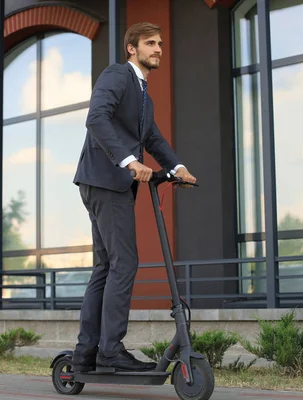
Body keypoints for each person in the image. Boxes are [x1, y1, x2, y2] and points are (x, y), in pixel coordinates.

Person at [72, 22, 196, 373]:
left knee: (106, 267)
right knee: (124, 263)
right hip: (107, 181)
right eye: (150, 43)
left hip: (106, 183)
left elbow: (153, 138)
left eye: (160, 44)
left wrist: (179, 168)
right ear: (132, 48)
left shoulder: (144, 95)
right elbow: (96, 119)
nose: (158, 49)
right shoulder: (117, 76)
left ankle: (86, 353)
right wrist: (129, 161)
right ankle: (111, 351)